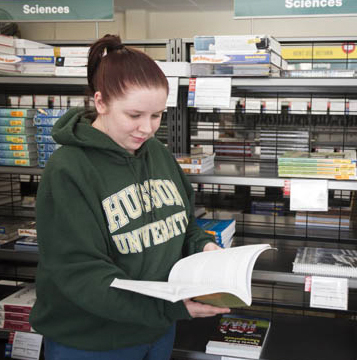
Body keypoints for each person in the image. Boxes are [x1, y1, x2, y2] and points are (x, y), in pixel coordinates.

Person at [30, 34, 230, 360]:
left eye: (157, 116)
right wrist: (169, 308)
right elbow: (82, 274)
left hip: (158, 329)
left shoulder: (157, 154)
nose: (147, 129)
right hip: (92, 341)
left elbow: (183, 224)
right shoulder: (68, 170)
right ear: (101, 102)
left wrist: (203, 247)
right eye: (134, 115)